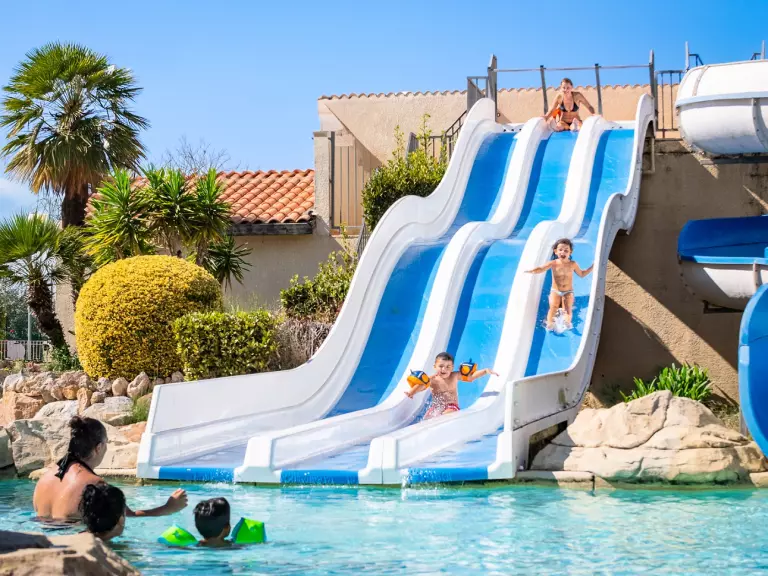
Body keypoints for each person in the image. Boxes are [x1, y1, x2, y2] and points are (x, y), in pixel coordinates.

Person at [33, 416, 188, 520]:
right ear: (99, 447)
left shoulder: (45, 479)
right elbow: (127, 517)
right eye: (106, 443)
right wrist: (169, 507)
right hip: (78, 550)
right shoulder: (94, 485)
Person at [405, 352, 498, 419]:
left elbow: (470, 378)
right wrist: (412, 392)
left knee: (447, 415)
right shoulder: (432, 379)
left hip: (452, 406)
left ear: (452, 368)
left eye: (448, 367)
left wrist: (485, 371)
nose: (444, 369)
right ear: (435, 367)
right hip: (437, 407)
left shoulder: (455, 376)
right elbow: (422, 385)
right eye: (441, 366)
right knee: (426, 420)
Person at [526, 238, 593, 330]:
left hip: (568, 292)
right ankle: (550, 323)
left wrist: (592, 267)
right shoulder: (553, 263)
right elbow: (541, 269)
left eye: (566, 250)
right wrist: (531, 271)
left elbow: (581, 274)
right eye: (560, 250)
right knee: (553, 307)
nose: (563, 252)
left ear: (570, 252)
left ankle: (567, 322)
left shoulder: (573, 264)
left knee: (567, 309)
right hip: (555, 291)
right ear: (555, 251)